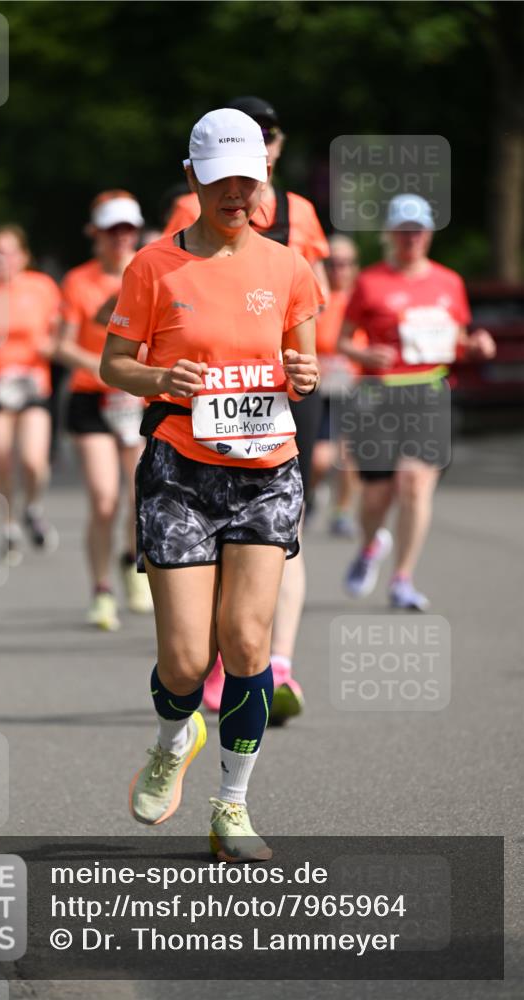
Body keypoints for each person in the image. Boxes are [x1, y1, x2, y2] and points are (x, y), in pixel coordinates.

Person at [100, 108, 322, 861]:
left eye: (249, 181)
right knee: (186, 662)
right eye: (222, 180)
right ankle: (174, 739)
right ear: (192, 178)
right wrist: (162, 377)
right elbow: (113, 364)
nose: (237, 195)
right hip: (181, 472)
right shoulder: (152, 267)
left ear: (265, 179)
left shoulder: (289, 267)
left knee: (248, 645)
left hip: (266, 471)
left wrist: (303, 374)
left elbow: (301, 365)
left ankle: (232, 805)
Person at [166, 96, 329, 724]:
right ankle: (217, 653)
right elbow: (172, 279)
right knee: (213, 545)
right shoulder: (193, 211)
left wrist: (300, 350)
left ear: (275, 149)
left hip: (278, 389)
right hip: (206, 402)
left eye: (269, 137)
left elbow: (316, 291)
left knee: (286, 528)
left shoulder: (300, 214)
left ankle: (274, 659)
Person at [337, 194, 495, 609]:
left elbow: (458, 338)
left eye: (419, 231)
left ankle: (402, 578)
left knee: (413, 481)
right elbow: (342, 340)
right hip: (379, 394)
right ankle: (370, 545)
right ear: (391, 234)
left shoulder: (448, 282)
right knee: (376, 496)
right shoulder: (370, 282)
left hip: (429, 392)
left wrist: (477, 344)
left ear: (429, 234)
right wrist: (363, 354)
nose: (412, 238)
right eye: (404, 231)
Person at [57, 191, 153, 630]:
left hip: (138, 398)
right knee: (103, 498)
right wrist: (103, 369)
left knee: (138, 496)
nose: (121, 237)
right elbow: (61, 344)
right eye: (112, 230)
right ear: (95, 233)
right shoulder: (78, 281)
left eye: (128, 229)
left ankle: (132, 561)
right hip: (92, 399)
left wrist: (139, 374)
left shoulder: (149, 272)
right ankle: (101, 590)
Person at [0, 225, 61, 562]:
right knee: (2, 458)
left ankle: (32, 507)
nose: (0, 258)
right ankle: (7, 529)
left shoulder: (42, 287)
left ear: (23, 256)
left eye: (7, 251)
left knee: (34, 460)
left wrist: (51, 346)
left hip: (33, 382)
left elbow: (60, 332)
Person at [309, 234, 365, 537]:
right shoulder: (317, 297)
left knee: (350, 454)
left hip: (354, 387)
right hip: (320, 388)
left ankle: (342, 511)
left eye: (345, 263)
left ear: (355, 266)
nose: (338, 269)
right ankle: (312, 494)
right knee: (320, 459)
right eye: (332, 263)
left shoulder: (362, 298)